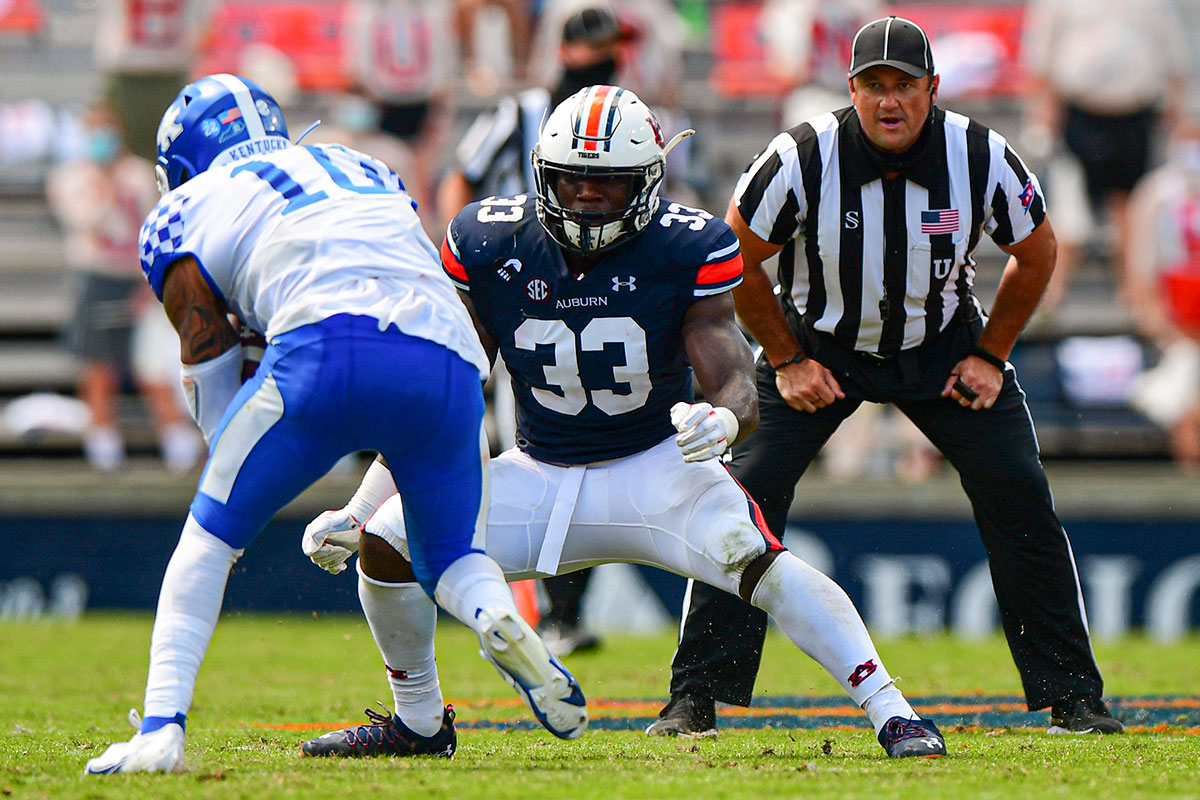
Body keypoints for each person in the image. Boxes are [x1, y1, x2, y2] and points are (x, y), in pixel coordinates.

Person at [298, 85, 947, 761]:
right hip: (539, 471)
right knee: (386, 542)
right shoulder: (490, 241)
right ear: (543, 174)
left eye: (606, 184)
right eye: (572, 179)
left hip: (659, 471)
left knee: (763, 566)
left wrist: (723, 422)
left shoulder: (684, 245)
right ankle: (419, 724)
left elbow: (734, 380)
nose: (585, 197)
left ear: (645, 182)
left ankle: (893, 713)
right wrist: (361, 503)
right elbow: (442, 398)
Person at [83, 73, 586, 775]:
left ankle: (161, 729)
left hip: (324, 348)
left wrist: (233, 461)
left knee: (207, 538)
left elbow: (209, 365)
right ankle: (497, 621)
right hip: (448, 357)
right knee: (450, 558)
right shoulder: (363, 164)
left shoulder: (187, 207)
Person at [646, 16, 1124, 739]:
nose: (889, 101)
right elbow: (730, 257)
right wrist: (786, 358)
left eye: (904, 85)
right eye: (875, 85)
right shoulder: (802, 155)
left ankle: (1074, 697)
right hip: (820, 344)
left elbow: (1039, 251)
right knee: (739, 499)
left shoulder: (980, 154)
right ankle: (696, 696)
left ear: (932, 89)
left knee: (1020, 494)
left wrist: (991, 355)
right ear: (852, 89)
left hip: (941, 346)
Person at [436, 4, 631, 654]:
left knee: (596, 445)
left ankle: (560, 612)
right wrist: (462, 257)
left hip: (600, 297)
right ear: (569, 52)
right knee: (510, 444)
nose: (608, 63)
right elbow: (462, 178)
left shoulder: (630, 118)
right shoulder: (520, 112)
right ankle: (506, 599)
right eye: (598, 50)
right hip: (523, 299)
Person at [45, 103, 202, 473]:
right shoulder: (70, 177)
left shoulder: (139, 173)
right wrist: (104, 186)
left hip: (138, 279)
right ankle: (103, 447)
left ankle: (176, 444)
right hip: (98, 278)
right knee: (99, 365)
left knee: (153, 364)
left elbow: (156, 222)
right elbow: (83, 221)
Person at [1021, 0, 1187, 313]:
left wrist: (1175, 117)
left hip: (1134, 115)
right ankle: (1046, 296)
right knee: (1068, 211)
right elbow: (1041, 59)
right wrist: (1041, 118)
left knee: (1132, 207)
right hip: (1079, 114)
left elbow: (1172, 59)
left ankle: (1136, 293)